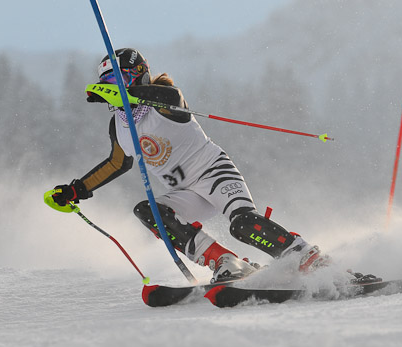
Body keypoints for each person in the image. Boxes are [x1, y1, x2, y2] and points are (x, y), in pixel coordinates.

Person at [51, 48, 328, 283]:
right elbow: (116, 163)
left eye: (119, 78)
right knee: (149, 211)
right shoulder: (120, 125)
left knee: (242, 223)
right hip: (186, 193)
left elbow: (172, 99)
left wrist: (123, 92)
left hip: (214, 173)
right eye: (107, 81)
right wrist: (76, 190)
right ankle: (227, 263)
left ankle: (306, 257)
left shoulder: (164, 99)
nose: (113, 86)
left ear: (140, 75)